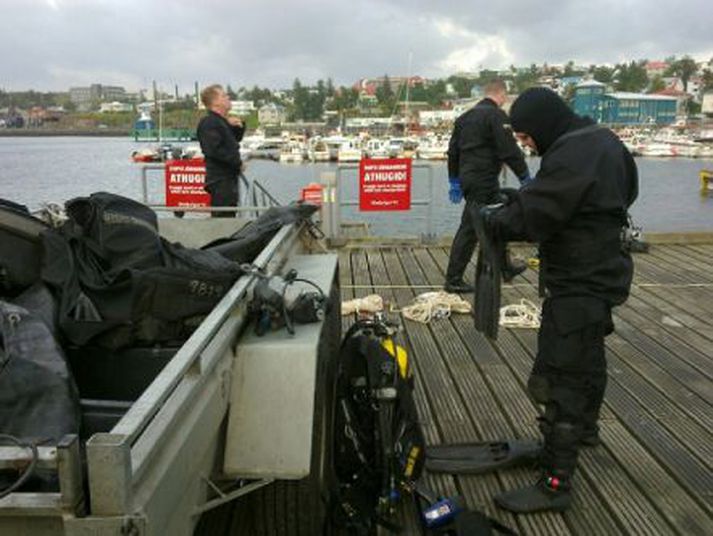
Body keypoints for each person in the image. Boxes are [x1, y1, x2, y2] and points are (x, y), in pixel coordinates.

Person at [484, 87, 638, 513]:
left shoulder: (571, 154)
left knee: (564, 369)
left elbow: (538, 214)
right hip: (604, 273)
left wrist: (500, 218)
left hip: (578, 279)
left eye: (528, 135)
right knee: (589, 357)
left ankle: (556, 480)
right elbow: (618, 195)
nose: (527, 144)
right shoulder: (604, 141)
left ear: (544, 123)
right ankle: (582, 432)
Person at [444, 79, 532, 293]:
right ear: (501, 95)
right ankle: (454, 279)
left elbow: (453, 152)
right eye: (505, 98)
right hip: (483, 179)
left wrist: (454, 180)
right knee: (471, 228)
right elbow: (508, 150)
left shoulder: (464, 118)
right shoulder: (497, 116)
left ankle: (504, 267)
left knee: (494, 219)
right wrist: (525, 177)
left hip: (469, 179)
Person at [197, 84, 246, 217]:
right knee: (222, 219)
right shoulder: (209, 123)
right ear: (215, 102)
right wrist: (237, 163)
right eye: (224, 95)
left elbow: (235, 140)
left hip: (227, 179)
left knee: (228, 215)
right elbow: (214, 150)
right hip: (220, 180)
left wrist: (237, 126)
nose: (228, 97)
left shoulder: (220, 122)